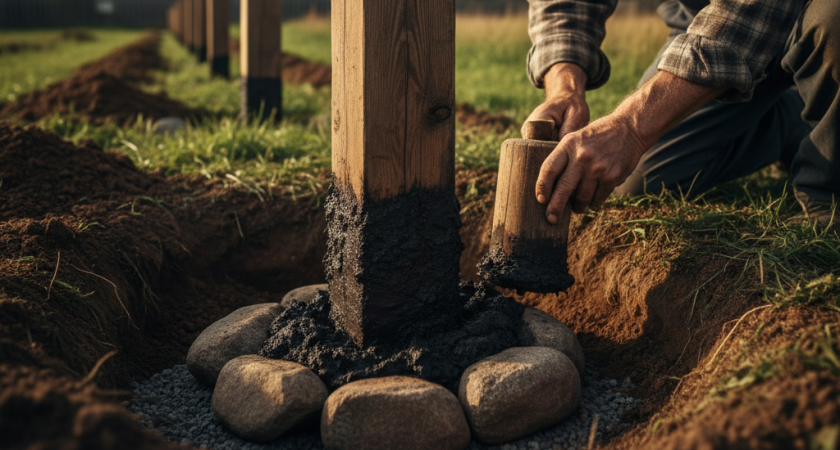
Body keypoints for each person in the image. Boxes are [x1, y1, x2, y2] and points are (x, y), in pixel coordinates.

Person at [525, 0, 838, 226]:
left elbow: (757, 11)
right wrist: (565, 85)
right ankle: (798, 116)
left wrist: (631, 129)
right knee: (644, 179)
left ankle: (827, 196)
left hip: (806, 15)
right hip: (709, 18)